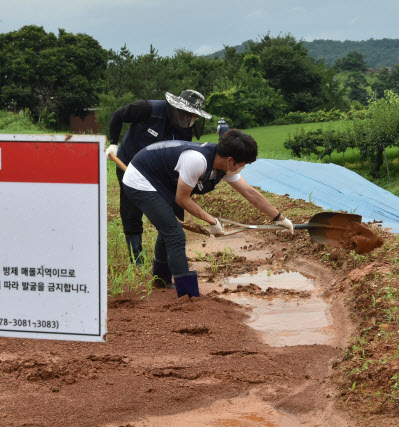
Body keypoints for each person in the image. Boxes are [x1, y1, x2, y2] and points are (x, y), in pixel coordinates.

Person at [121, 129, 294, 298]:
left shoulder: (223, 166)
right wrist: (213, 221)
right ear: (231, 160)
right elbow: (182, 199)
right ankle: (188, 295)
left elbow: (249, 192)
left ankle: (161, 281)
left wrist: (279, 218)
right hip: (141, 179)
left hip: (164, 180)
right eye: (243, 164)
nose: (243, 168)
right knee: (175, 235)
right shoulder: (197, 161)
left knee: (170, 227)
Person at [105, 90, 212, 266]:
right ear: (178, 109)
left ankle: (166, 256)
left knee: (174, 207)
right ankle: (137, 260)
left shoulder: (185, 131)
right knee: (131, 209)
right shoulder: (147, 109)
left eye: (193, 118)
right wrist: (113, 144)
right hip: (130, 164)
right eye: (187, 116)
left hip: (160, 172)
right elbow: (118, 116)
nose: (189, 121)